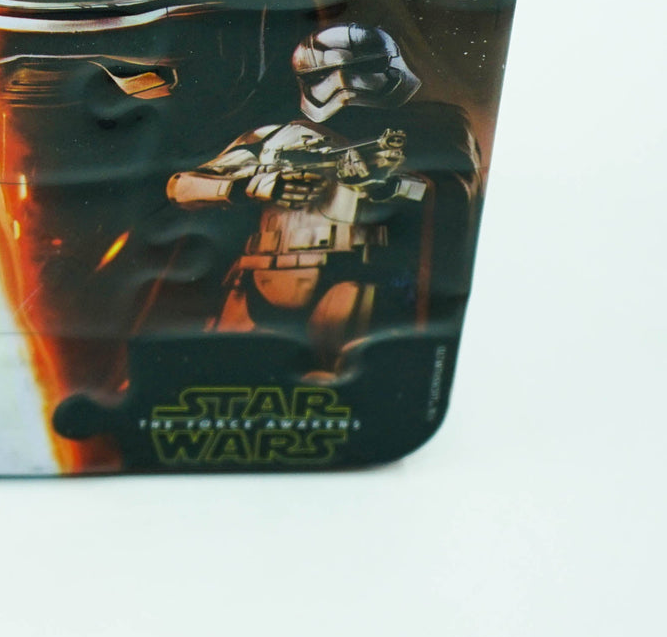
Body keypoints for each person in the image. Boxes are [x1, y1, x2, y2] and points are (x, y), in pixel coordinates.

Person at [166, 24, 477, 378]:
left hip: (354, 277)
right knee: (227, 377)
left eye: (359, 69)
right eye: (326, 75)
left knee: (338, 381)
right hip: (257, 279)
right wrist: (251, 185)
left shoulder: (428, 129)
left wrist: (382, 185)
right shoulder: (275, 137)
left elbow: (448, 198)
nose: (343, 86)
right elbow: (181, 187)